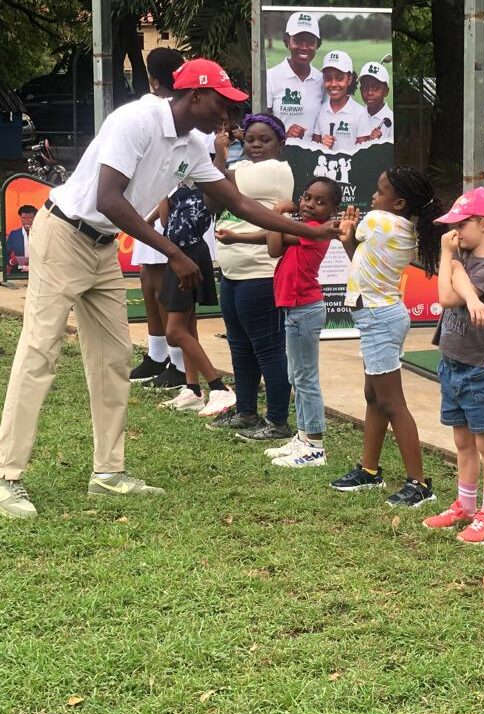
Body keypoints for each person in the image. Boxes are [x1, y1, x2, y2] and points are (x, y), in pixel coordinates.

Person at [0, 58, 340, 521]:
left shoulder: (195, 143)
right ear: (195, 94)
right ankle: (6, 477)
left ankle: (108, 472)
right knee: (40, 352)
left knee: (114, 356)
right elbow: (108, 198)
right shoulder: (135, 120)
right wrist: (174, 253)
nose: (227, 114)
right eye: (222, 102)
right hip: (65, 233)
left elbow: (236, 201)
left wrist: (311, 231)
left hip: (100, 248)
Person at [330, 167, 442, 498]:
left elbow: (346, 227)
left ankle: (419, 485)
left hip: (379, 318)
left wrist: (347, 226)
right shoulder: (396, 226)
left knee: (392, 402)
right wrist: (349, 240)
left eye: (380, 193)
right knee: (374, 397)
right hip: (377, 316)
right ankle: (369, 469)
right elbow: (360, 262)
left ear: (399, 202)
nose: (373, 197)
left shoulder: (380, 222)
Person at [419, 188, 484, 541]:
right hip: (452, 364)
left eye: (462, 224)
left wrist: (450, 257)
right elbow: (455, 274)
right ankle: (465, 505)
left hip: (480, 370)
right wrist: (453, 261)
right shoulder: (463, 257)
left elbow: (445, 296)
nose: (454, 232)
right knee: (462, 442)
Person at [208, 114, 295, 440]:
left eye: (265, 140)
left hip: (260, 272)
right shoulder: (240, 168)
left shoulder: (275, 171)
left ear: (281, 144)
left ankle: (277, 422)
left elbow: (222, 188)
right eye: (250, 140)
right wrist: (221, 160)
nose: (256, 145)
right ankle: (246, 412)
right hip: (232, 271)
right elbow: (211, 198)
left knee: (268, 348)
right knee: (239, 345)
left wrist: (220, 157)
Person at [263, 178, 339, 468]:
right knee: (297, 377)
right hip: (294, 309)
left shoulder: (317, 231)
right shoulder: (302, 229)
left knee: (306, 379)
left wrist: (277, 212)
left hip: (305, 310)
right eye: (307, 197)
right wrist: (278, 217)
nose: (309, 204)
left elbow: (272, 247)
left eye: (320, 202)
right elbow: (274, 243)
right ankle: (304, 436)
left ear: (333, 210)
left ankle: (315, 448)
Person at [129, 47, 189, 389]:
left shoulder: (180, 117)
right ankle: (156, 354)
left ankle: (178, 363)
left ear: (152, 79)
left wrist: (154, 216)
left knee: (169, 288)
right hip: (147, 213)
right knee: (148, 283)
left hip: (171, 216)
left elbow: (178, 178)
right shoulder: (152, 113)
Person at [154, 184, 236, 417]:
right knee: (188, 327)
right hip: (176, 253)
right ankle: (193, 390)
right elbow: (164, 222)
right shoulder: (176, 189)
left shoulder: (205, 188)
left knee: (174, 331)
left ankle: (218, 387)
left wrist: (219, 153)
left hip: (190, 255)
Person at [266, 11, 324, 141]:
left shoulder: (321, 80)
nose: (304, 47)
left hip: (314, 157)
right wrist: (284, 136)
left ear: (317, 44)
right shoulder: (271, 77)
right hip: (280, 156)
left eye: (310, 41)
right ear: (287, 41)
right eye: (298, 40)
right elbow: (263, 125)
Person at [311, 50, 364, 150]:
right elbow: (314, 149)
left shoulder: (360, 113)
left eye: (339, 78)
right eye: (328, 78)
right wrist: (322, 146)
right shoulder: (321, 110)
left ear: (349, 79)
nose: (333, 84)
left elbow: (365, 154)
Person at [355, 61, 393, 146]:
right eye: (365, 88)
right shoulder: (357, 114)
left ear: (386, 91)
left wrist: (377, 144)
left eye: (375, 88)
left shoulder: (392, 119)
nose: (369, 92)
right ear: (360, 90)